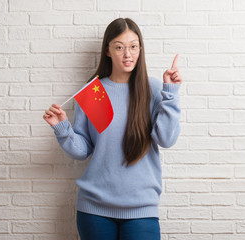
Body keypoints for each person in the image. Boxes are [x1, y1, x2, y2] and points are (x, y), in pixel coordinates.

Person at [43, 18, 182, 240]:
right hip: (94, 209)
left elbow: (166, 139)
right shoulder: (95, 92)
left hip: (142, 209)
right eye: (119, 47)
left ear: (140, 49)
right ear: (107, 51)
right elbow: (82, 150)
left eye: (133, 46)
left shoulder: (155, 89)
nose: (128, 54)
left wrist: (171, 93)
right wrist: (62, 128)